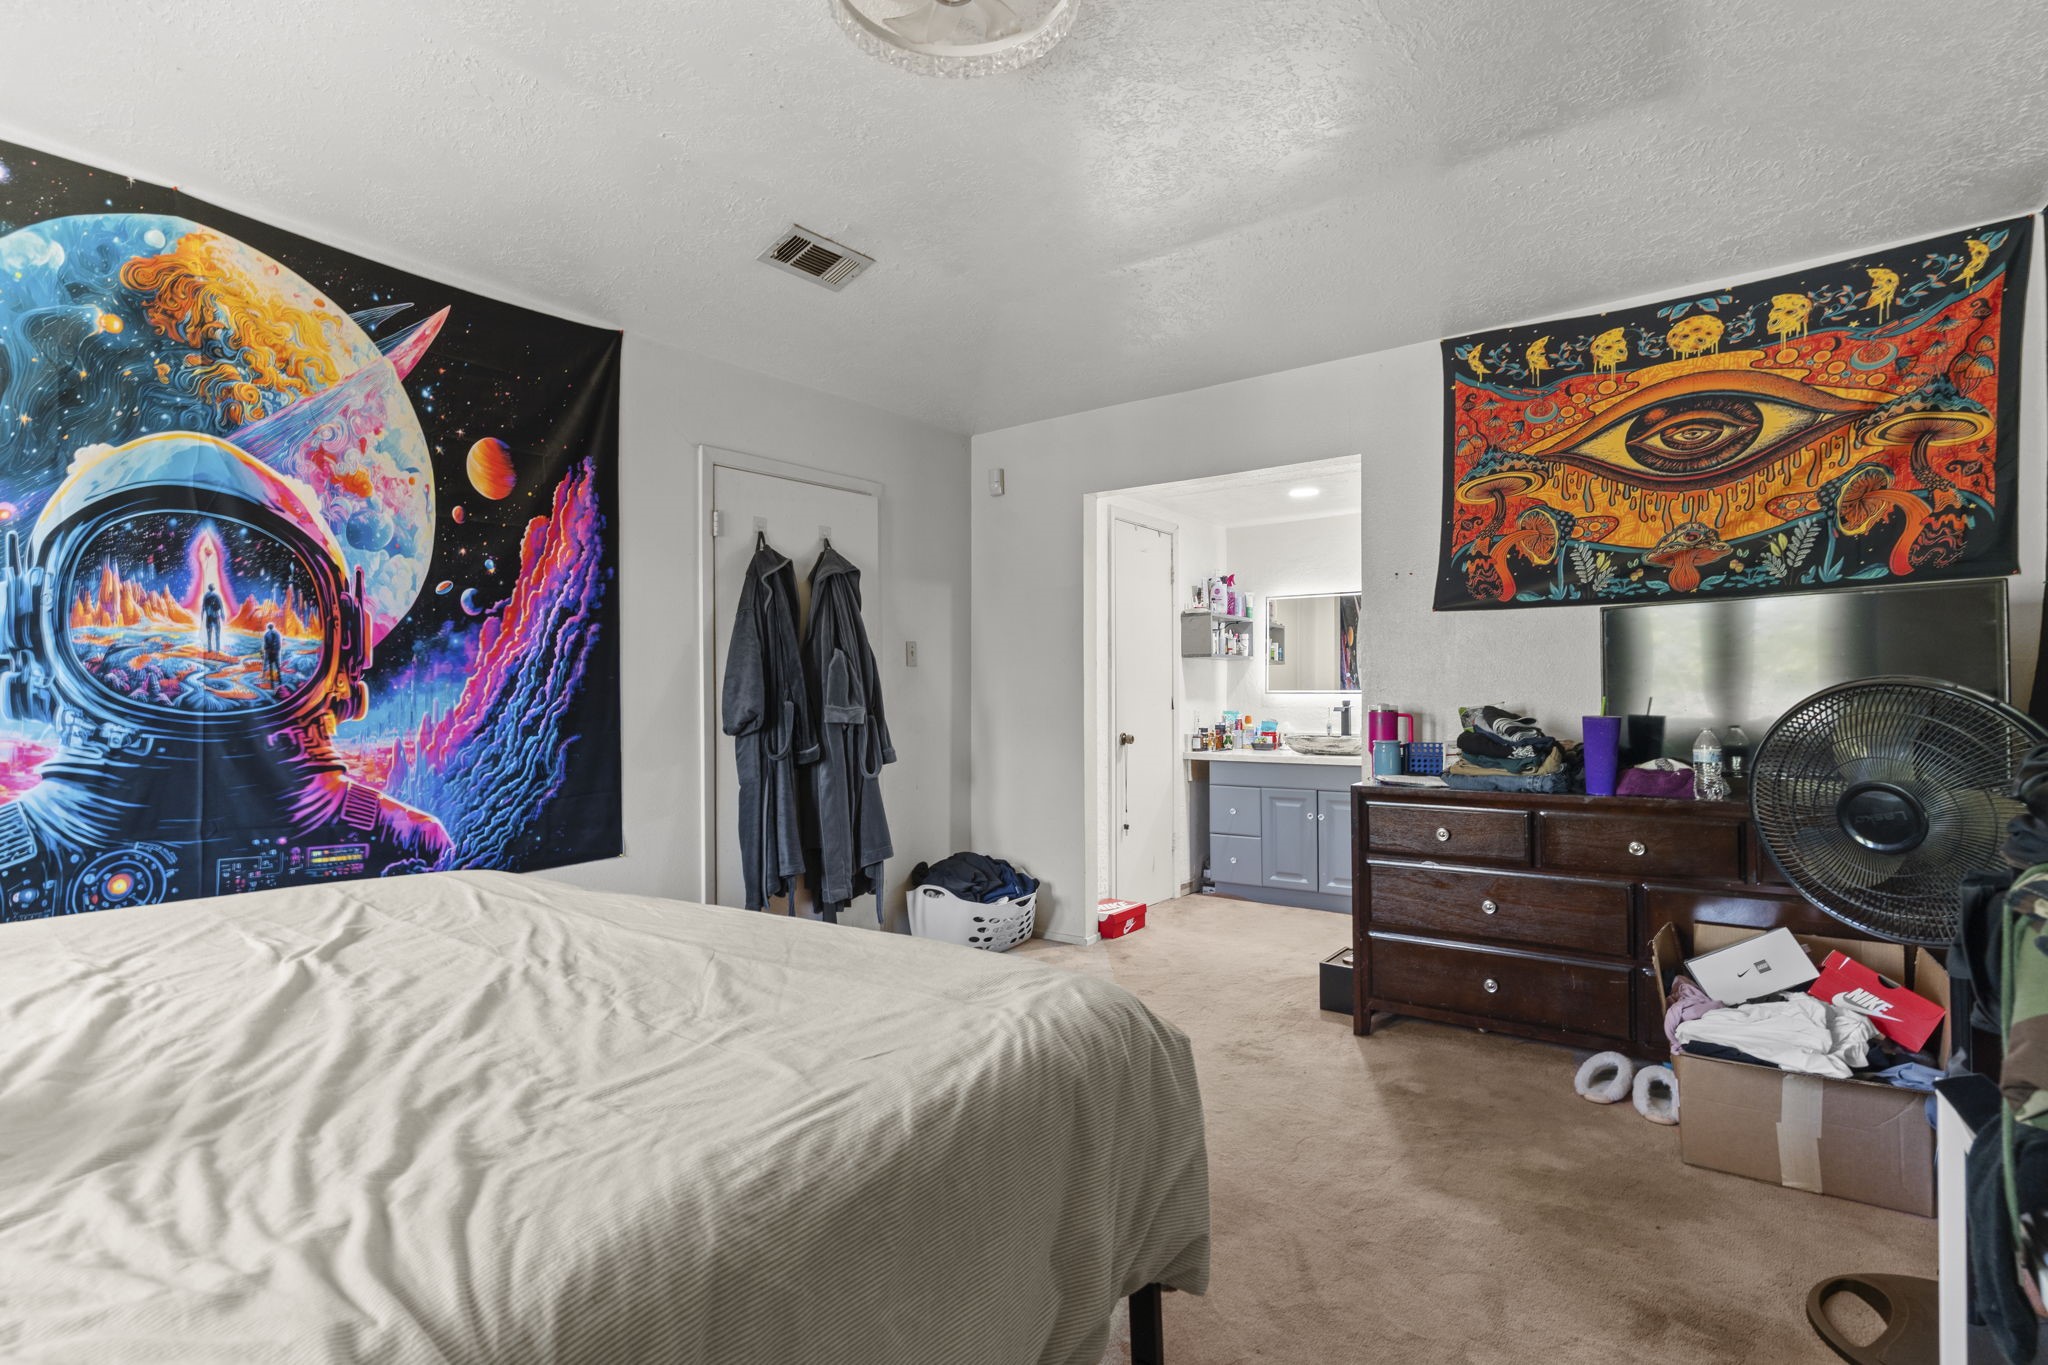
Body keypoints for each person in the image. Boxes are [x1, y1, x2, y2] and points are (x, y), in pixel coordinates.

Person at [201, 585, 224, 655]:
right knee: (217, 634)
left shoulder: (206, 596)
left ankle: (209, 649)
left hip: (209, 618)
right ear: (214, 588)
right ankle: (217, 650)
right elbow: (221, 606)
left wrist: (202, 617)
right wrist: (223, 615)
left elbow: (203, 608)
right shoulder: (217, 595)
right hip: (215, 617)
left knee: (209, 635)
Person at [261, 621, 282, 686]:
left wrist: (266, 650)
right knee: (277, 664)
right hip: (275, 652)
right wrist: (276, 650)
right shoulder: (277, 633)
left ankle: (266, 677)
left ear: (268, 627)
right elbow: (279, 643)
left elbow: (265, 644)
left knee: (268, 664)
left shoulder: (266, 634)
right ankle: (279, 677)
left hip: (269, 652)